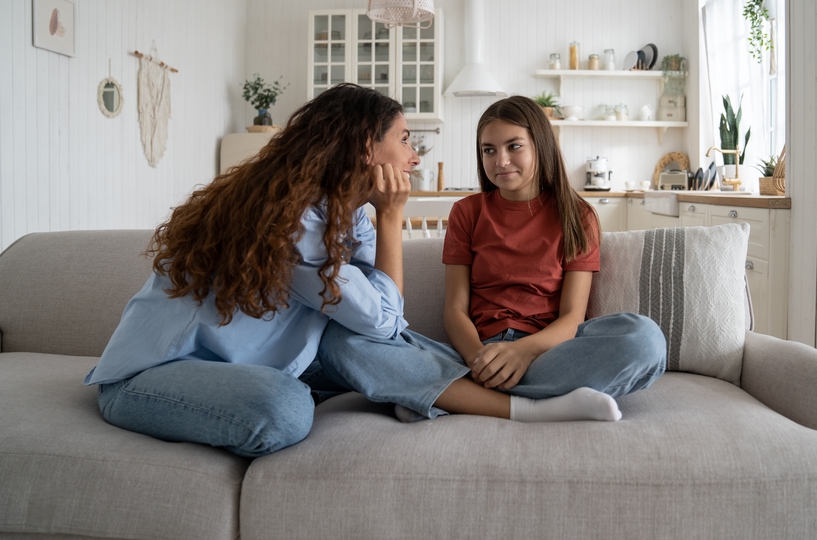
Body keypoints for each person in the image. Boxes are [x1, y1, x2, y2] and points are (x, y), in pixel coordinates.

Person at [84, 83, 421, 457]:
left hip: (245, 368)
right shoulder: (294, 224)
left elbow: (382, 315)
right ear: (365, 147)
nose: (415, 158)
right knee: (286, 409)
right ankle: (411, 390)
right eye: (404, 140)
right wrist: (391, 216)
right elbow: (383, 319)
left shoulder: (343, 212)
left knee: (358, 346)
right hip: (150, 378)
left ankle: (445, 388)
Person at [316, 96, 666, 424]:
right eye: (489, 150)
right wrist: (478, 359)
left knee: (644, 338)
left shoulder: (578, 215)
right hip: (471, 356)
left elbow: (572, 317)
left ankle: (445, 395)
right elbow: (455, 311)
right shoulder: (467, 212)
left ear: (541, 146)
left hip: (544, 354)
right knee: (341, 341)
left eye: (514, 146)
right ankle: (514, 403)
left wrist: (522, 353)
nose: (500, 161)